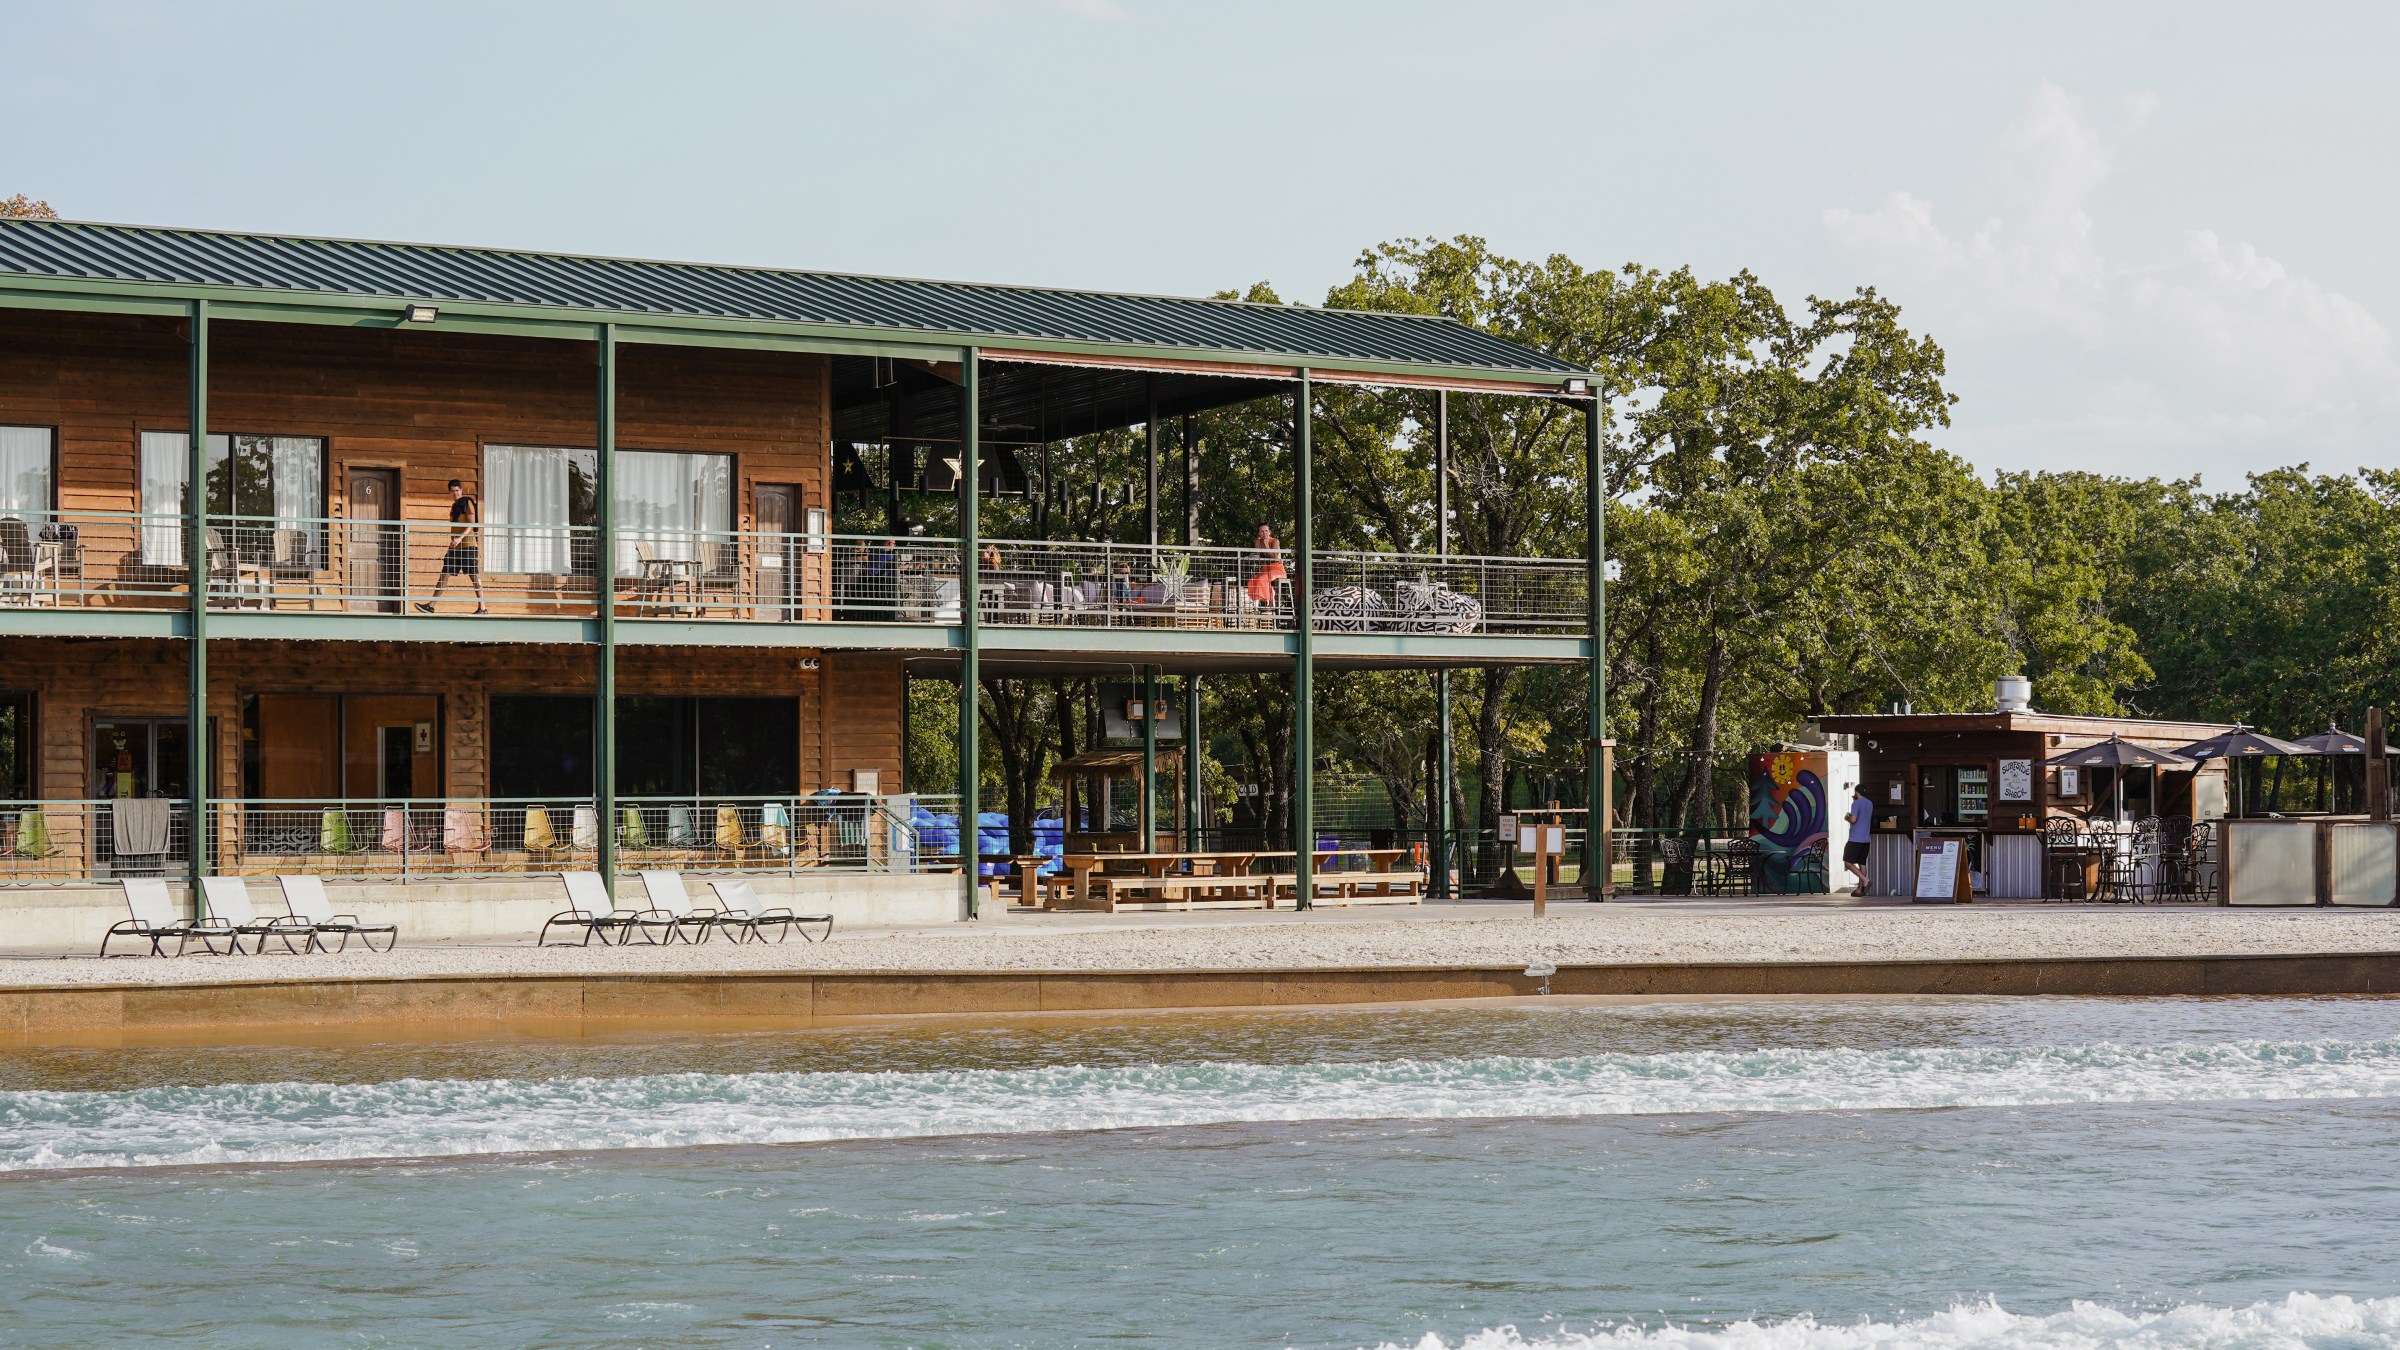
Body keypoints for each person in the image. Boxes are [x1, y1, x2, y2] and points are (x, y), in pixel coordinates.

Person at [418, 479, 486, 614]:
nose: (455, 493)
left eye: (457, 490)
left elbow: (471, 524)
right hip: (455, 547)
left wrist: (460, 538)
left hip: (468, 546)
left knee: (473, 575)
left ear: (461, 490)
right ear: (449, 492)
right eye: (453, 491)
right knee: (445, 574)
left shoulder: (467, 503)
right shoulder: (454, 506)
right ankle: (431, 606)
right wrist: (455, 540)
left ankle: (482, 607)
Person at [1842, 783, 1876, 891]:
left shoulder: (1856, 803)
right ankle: (1859, 889)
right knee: (1862, 863)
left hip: (1855, 838)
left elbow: (1853, 820)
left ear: (1856, 792)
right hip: (1866, 839)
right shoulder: (1870, 803)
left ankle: (1865, 881)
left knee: (1847, 862)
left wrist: (1847, 817)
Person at [1244, 523, 1287, 607]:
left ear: (1270, 532)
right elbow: (1258, 555)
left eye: (1266, 531)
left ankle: (1270, 601)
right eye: (1262, 531)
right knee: (1253, 580)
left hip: (1277, 568)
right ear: (1259, 533)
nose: (1264, 533)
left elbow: (1274, 556)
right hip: (1266, 568)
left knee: (1262, 578)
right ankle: (1258, 605)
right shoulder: (1257, 541)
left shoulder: (1275, 541)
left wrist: (1266, 544)